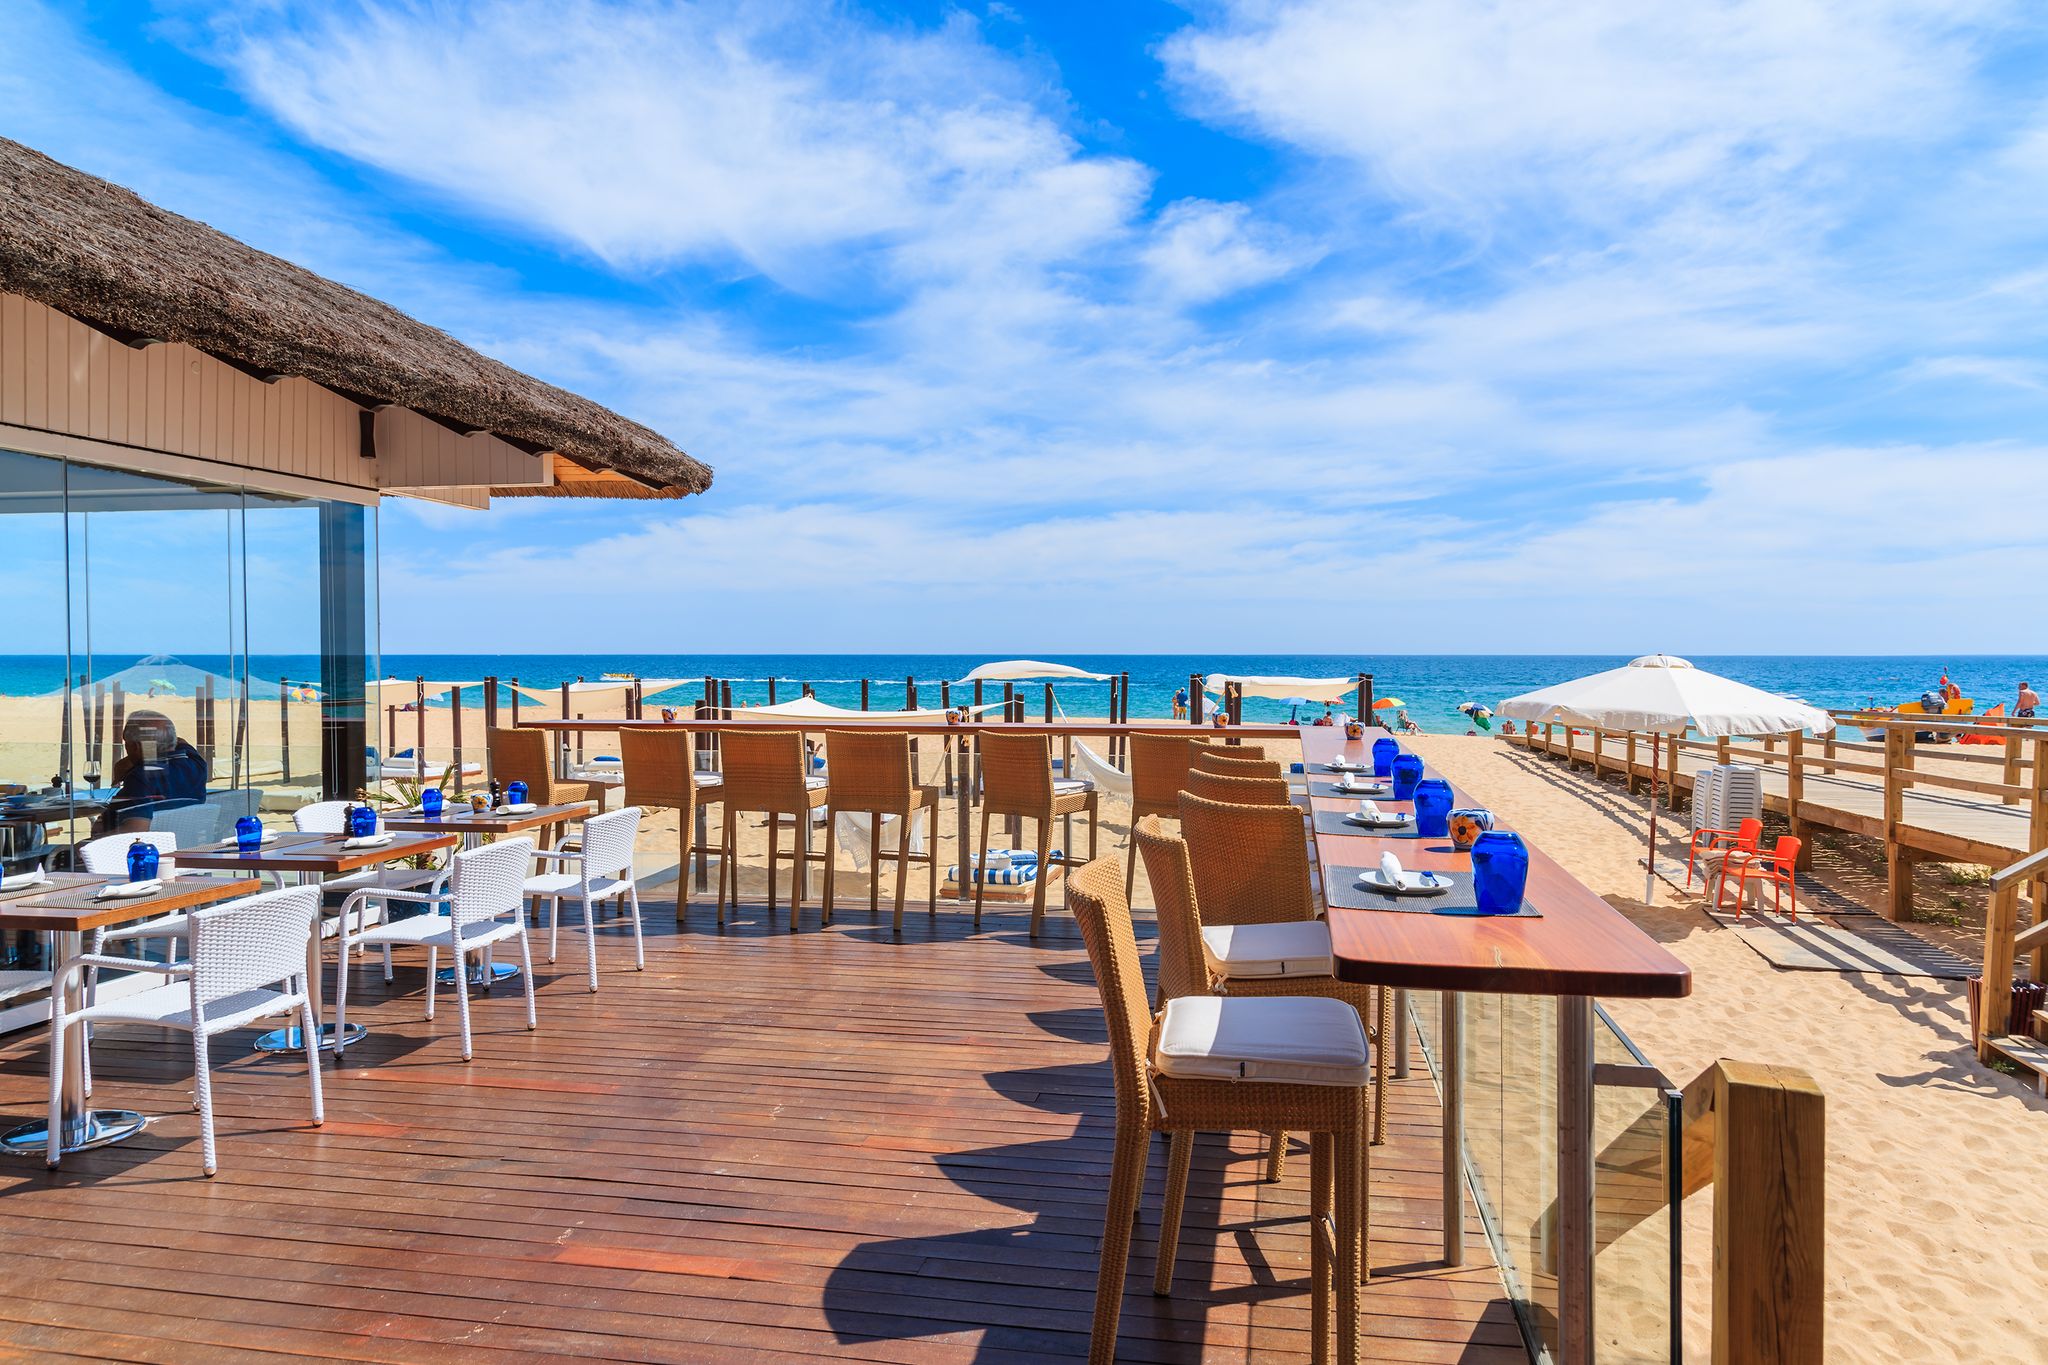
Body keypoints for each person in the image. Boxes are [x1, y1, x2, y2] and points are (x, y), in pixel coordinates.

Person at [102, 711, 208, 832]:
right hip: (185, 844)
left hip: (144, 848)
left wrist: (92, 841)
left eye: (127, 744)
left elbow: (136, 830)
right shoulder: (196, 762)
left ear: (136, 747)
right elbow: (179, 740)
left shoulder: (141, 777)